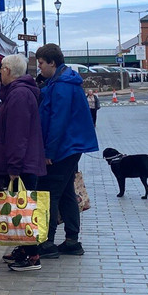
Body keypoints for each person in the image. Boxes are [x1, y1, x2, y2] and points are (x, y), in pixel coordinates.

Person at [35, 43, 99, 258]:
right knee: (66, 193)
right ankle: (72, 240)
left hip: (63, 148)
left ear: (52, 62)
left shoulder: (62, 85)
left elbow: (57, 121)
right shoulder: (63, 81)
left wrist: (48, 152)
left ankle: (47, 242)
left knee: (51, 193)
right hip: (71, 146)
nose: (39, 68)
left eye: (41, 64)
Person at [0, 54, 48, 271]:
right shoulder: (16, 93)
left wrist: (14, 166)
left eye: (0, 68)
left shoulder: (19, 95)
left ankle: (32, 256)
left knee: (24, 209)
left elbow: (17, 133)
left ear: (8, 71)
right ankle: (23, 249)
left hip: (22, 164)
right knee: (20, 209)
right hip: (23, 162)